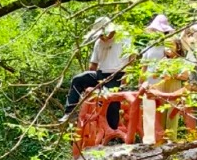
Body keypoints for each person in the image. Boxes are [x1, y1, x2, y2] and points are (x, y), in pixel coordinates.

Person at [62, 17, 132, 128]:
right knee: (78, 79)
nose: (102, 37)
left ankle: (111, 128)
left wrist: (125, 81)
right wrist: (90, 84)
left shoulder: (123, 38)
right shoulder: (98, 43)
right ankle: (70, 112)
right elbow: (93, 64)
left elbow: (131, 61)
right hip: (101, 74)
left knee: (111, 101)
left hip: (117, 75)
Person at [140, 15, 182, 143]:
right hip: (149, 85)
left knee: (165, 114)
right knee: (149, 114)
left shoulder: (170, 44)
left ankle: (168, 141)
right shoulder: (149, 46)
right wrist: (141, 84)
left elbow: (176, 60)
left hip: (165, 84)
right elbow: (143, 67)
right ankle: (150, 142)